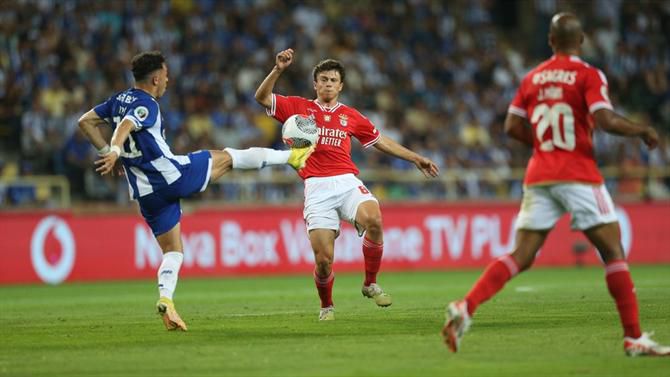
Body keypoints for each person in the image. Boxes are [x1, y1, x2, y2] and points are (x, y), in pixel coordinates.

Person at [441, 13, 670, 356]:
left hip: (540, 173)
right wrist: (642, 130)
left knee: (521, 255)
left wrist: (543, 145)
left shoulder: (532, 77)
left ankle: (466, 305)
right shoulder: (588, 74)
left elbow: (510, 127)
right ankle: (633, 337)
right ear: (581, 41)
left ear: (550, 40)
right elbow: (604, 119)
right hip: (578, 173)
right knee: (613, 251)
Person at [78, 51, 314, 331]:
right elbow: (129, 124)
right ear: (155, 78)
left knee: (173, 250)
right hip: (170, 175)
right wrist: (115, 150)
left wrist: (107, 151)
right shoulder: (147, 104)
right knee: (227, 157)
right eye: (165, 75)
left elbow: (85, 121)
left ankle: (167, 299)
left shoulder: (117, 100)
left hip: (144, 192)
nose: (167, 80)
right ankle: (292, 157)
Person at [255, 49, 439, 321]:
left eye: (333, 80)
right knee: (323, 261)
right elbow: (261, 97)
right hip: (316, 188)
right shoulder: (298, 107)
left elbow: (381, 141)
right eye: (323, 79)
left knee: (374, 218)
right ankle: (327, 305)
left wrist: (415, 158)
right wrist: (278, 70)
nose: (328, 84)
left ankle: (370, 283)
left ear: (340, 86)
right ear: (315, 84)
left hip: (346, 182)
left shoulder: (350, 116)